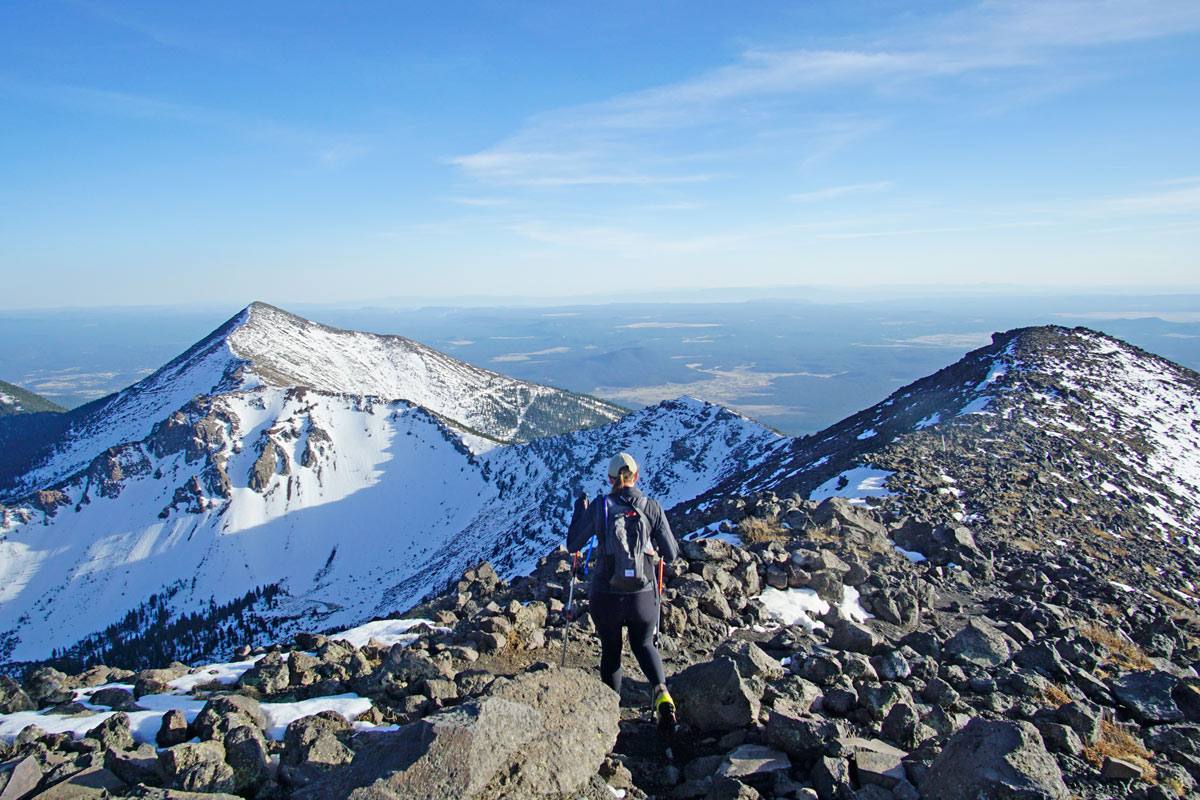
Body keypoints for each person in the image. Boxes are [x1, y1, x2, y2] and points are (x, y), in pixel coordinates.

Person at [566, 452, 680, 729]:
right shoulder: (651, 507)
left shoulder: (600, 506)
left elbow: (573, 544)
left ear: (609, 479)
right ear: (636, 477)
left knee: (611, 649)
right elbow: (671, 553)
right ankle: (662, 692)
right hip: (643, 595)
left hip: (606, 593)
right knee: (643, 644)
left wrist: (580, 510)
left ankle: (611, 711)